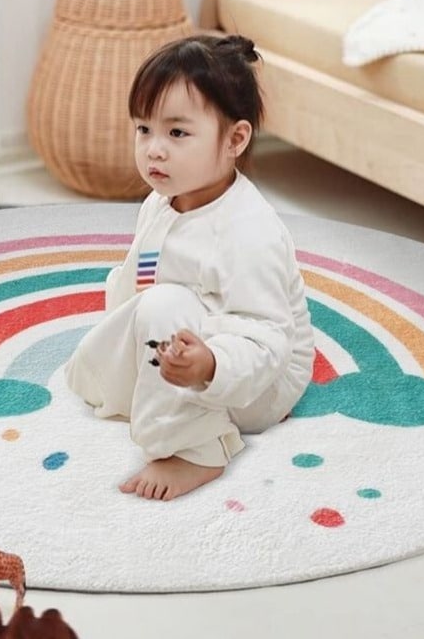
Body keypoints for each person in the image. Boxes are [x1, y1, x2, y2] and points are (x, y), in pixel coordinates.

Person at [64, 33, 315, 501]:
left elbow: (268, 339)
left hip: (256, 378)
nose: (154, 149)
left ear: (235, 139)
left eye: (176, 133)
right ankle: (164, 378)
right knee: (91, 367)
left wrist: (210, 365)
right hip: (186, 334)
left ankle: (194, 449)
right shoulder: (162, 201)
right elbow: (137, 283)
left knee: (163, 305)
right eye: (144, 129)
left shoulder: (248, 232)